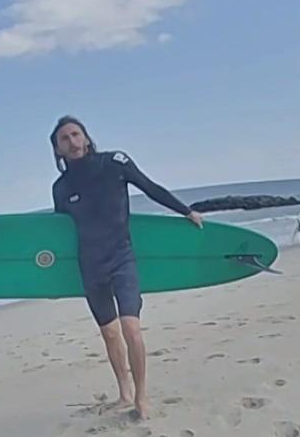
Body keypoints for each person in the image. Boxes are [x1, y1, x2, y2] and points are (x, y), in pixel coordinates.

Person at [49, 115, 204, 420]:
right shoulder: (61, 187)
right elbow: (61, 234)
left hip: (121, 257)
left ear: (87, 138)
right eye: (64, 139)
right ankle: (124, 392)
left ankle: (142, 397)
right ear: (57, 150)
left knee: (131, 328)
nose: (72, 141)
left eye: (76, 134)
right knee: (109, 333)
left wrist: (185, 211)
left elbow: (149, 187)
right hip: (90, 266)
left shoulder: (115, 163)